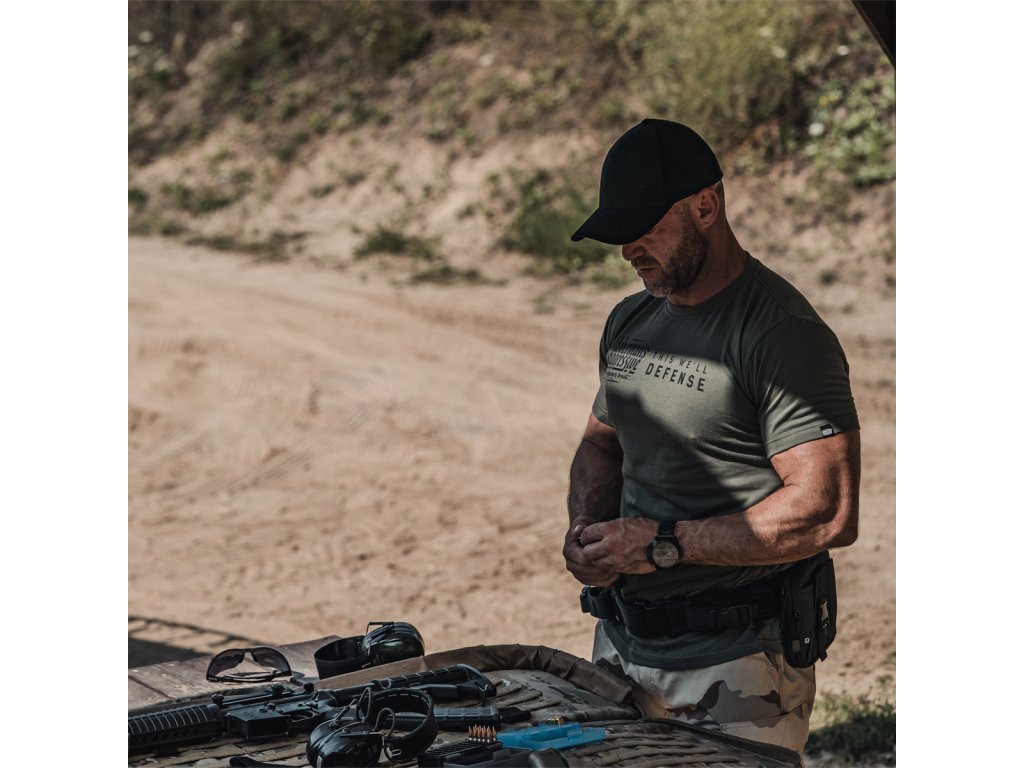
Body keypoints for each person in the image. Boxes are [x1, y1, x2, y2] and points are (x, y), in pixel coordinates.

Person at [563, 118, 860, 756]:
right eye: (620, 235)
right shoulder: (630, 319)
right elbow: (602, 445)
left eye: (645, 229)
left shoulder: (782, 334)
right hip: (620, 649)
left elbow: (826, 511)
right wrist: (585, 527)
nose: (629, 251)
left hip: (736, 663)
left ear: (705, 207)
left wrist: (661, 545)